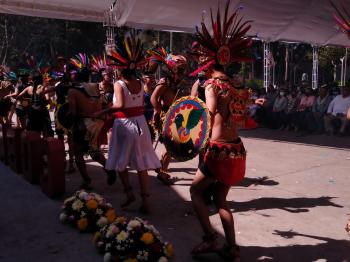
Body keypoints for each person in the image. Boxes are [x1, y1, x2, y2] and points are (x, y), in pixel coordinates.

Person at [189, 1, 254, 260]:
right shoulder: (236, 84)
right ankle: (233, 248)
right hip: (236, 148)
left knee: (195, 192)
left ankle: (210, 239)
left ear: (210, 58)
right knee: (221, 200)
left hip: (217, 150)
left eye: (203, 56)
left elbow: (210, 111)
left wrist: (195, 99)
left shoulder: (211, 84)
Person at [95, 32, 161, 214]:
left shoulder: (119, 83)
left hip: (124, 124)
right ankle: (146, 202)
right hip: (141, 124)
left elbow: (121, 105)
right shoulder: (140, 82)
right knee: (142, 165)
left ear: (120, 67)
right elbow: (139, 103)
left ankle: (129, 193)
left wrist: (104, 110)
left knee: (119, 161)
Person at [68, 67, 116, 189]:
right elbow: (106, 104)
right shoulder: (96, 87)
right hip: (98, 124)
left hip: (83, 124)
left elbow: (73, 113)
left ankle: (86, 180)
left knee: (78, 152)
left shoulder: (73, 91)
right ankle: (108, 169)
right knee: (94, 151)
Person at [149, 48, 188, 185]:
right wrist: (159, 111)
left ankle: (161, 166)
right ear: (173, 68)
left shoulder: (177, 82)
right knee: (171, 147)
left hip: (176, 116)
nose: (182, 72)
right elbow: (153, 98)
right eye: (180, 69)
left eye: (183, 69)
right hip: (166, 116)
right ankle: (163, 173)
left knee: (173, 146)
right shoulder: (165, 81)